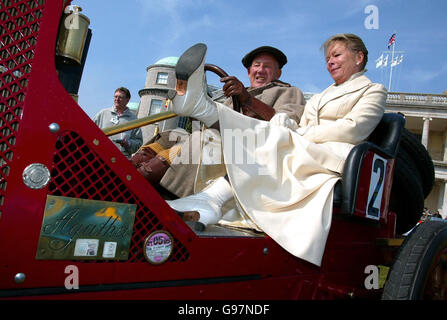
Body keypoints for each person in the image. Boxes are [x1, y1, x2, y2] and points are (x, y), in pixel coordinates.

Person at [166, 34, 387, 266]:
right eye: (328, 57)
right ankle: (209, 198)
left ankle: (204, 110)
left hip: (336, 154)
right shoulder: (321, 96)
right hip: (306, 148)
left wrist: (297, 134)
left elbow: (353, 130)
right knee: (269, 131)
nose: (330, 61)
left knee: (270, 136)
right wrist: (287, 124)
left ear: (359, 57)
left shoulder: (373, 90)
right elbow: (302, 126)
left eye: (337, 55)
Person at [131, 46, 305, 198]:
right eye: (256, 66)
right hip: (223, 139)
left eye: (267, 67)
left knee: (202, 140)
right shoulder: (232, 94)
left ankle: (142, 189)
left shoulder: (287, 92)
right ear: (249, 71)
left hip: (250, 151)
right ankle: (128, 171)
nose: (260, 70)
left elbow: (286, 124)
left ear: (278, 73)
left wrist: (246, 99)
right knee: (171, 135)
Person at [93, 87, 143, 158]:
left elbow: (138, 143)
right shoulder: (103, 113)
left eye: (120, 97)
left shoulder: (134, 119)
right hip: (99, 155)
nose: (117, 99)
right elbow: (90, 130)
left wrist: (128, 143)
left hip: (120, 159)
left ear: (127, 100)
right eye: (115, 96)